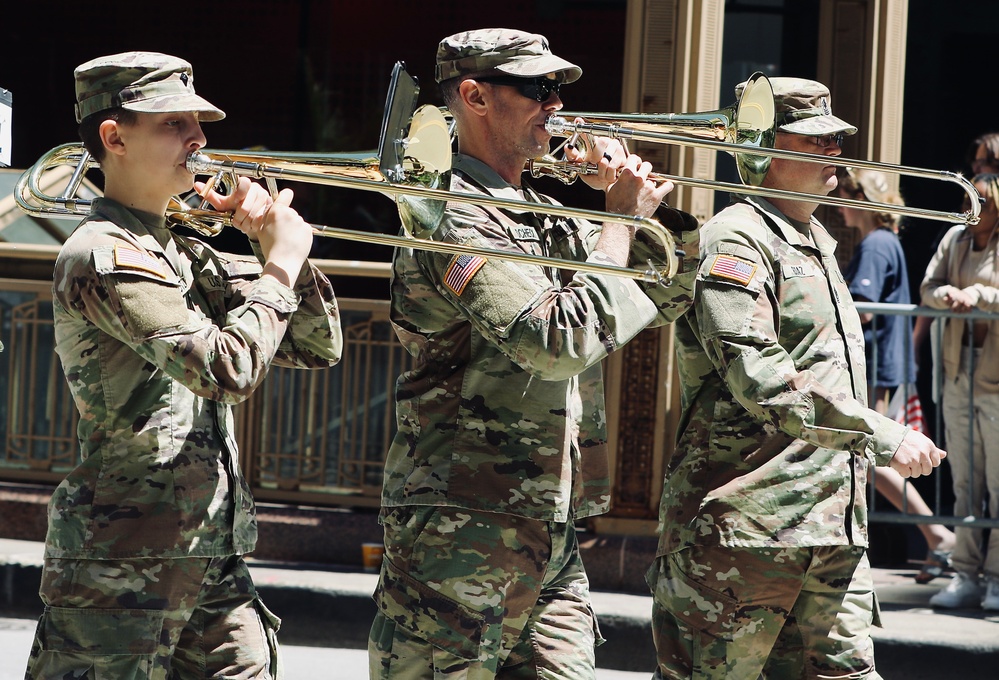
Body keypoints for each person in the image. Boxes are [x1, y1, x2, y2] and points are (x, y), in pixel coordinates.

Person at [368, 28, 700, 680]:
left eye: (557, 88)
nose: (556, 104)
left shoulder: (543, 214)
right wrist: (616, 223)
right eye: (537, 88)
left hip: (548, 524)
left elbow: (669, 295)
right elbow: (557, 344)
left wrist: (647, 216)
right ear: (474, 96)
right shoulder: (447, 216)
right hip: (460, 523)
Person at [25, 52, 343, 678]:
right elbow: (226, 370)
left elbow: (314, 343)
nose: (199, 139)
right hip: (121, 563)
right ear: (114, 137)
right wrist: (278, 265)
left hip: (212, 552)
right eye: (173, 123)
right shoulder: (103, 255)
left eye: (199, 123)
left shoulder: (183, 248)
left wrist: (278, 252)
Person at [648, 78, 947, 679]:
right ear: (760, 149)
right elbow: (762, 380)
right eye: (813, 141)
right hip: (748, 529)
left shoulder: (816, 240)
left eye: (835, 138)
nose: (834, 151)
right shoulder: (736, 237)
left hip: (829, 525)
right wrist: (883, 435)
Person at [836, 167, 956, 584]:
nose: (840, 198)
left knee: (865, 454)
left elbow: (863, 309)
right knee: (866, 454)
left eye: (848, 191)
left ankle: (936, 533)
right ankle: (936, 534)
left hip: (873, 365)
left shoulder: (877, 244)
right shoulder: (885, 242)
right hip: (882, 363)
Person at [920, 172, 999, 611]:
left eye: (981, 201)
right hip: (957, 372)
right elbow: (927, 288)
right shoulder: (953, 240)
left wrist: (981, 295)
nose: (972, 209)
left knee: (998, 483)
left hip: (996, 378)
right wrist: (946, 293)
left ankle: (996, 578)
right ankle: (965, 573)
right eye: (967, 199)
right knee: (965, 481)